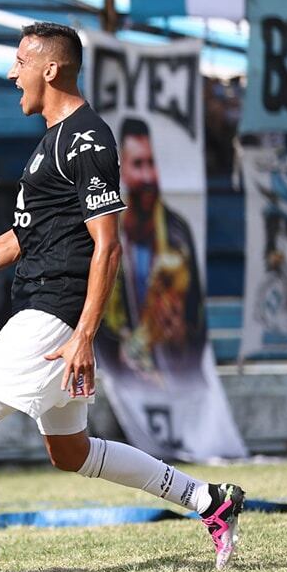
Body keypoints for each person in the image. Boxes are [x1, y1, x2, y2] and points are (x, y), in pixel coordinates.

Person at [0, 22, 245, 572]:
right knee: (70, 452)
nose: (12, 73)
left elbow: (108, 243)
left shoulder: (88, 139)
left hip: (52, 316)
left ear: (50, 69)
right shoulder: (51, 141)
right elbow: (21, 237)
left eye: (20, 61)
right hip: (49, 313)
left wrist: (82, 334)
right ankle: (208, 500)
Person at [98, 118, 206, 384]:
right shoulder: (106, 227)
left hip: (174, 377)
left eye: (152, 163)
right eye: (138, 164)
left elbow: (196, 318)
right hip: (120, 376)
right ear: (122, 169)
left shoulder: (178, 232)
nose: (147, 176)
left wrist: (180, 332)